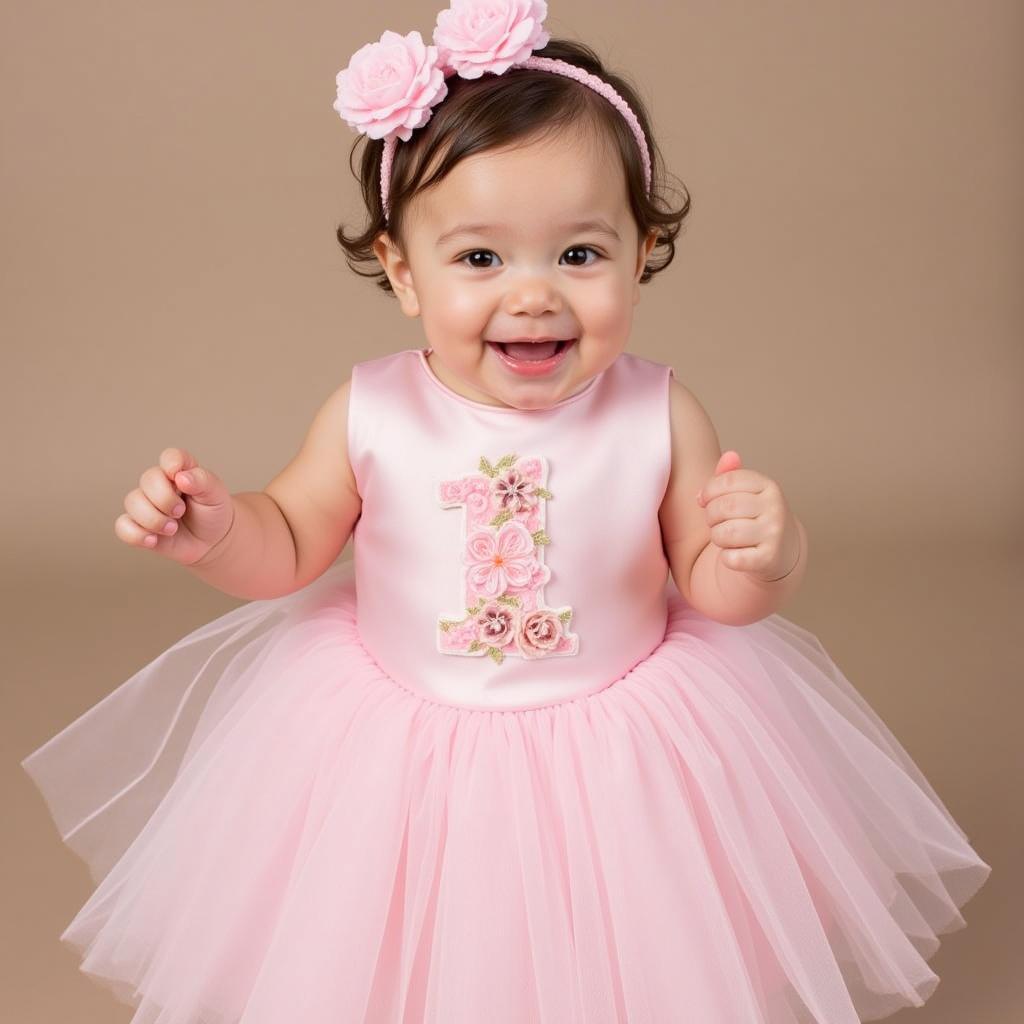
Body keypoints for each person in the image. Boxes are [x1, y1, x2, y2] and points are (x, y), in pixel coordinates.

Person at [21, 2, 991, 1021]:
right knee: (415, 946)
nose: (532, 297)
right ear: (403, 271)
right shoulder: (372, 409)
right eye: (480, 260)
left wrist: (766, 556)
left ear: (640, 250)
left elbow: (709, 579)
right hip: (405, 753)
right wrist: (218, 533)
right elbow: (293, 542)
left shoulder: (659, 410)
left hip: (616, 756)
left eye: (578, 254)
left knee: (631, 950)